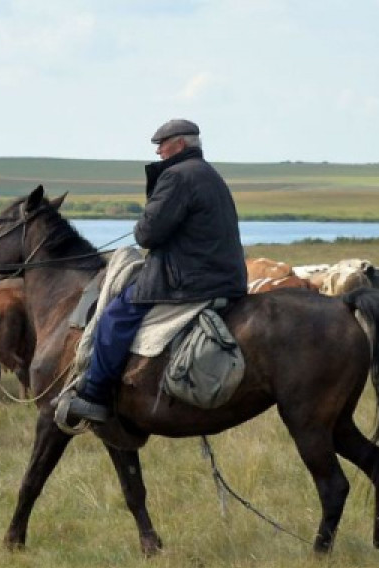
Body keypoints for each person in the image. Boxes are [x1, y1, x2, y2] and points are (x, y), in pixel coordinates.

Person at [66, 118, 248, 425]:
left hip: (188, 279)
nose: (159, 153)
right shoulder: (209, 174)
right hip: (226, 277)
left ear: (178, 144)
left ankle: (94, 395)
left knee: (115, 316)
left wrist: (143, 222)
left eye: (161, 146)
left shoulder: (177, 176)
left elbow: (147, 235)